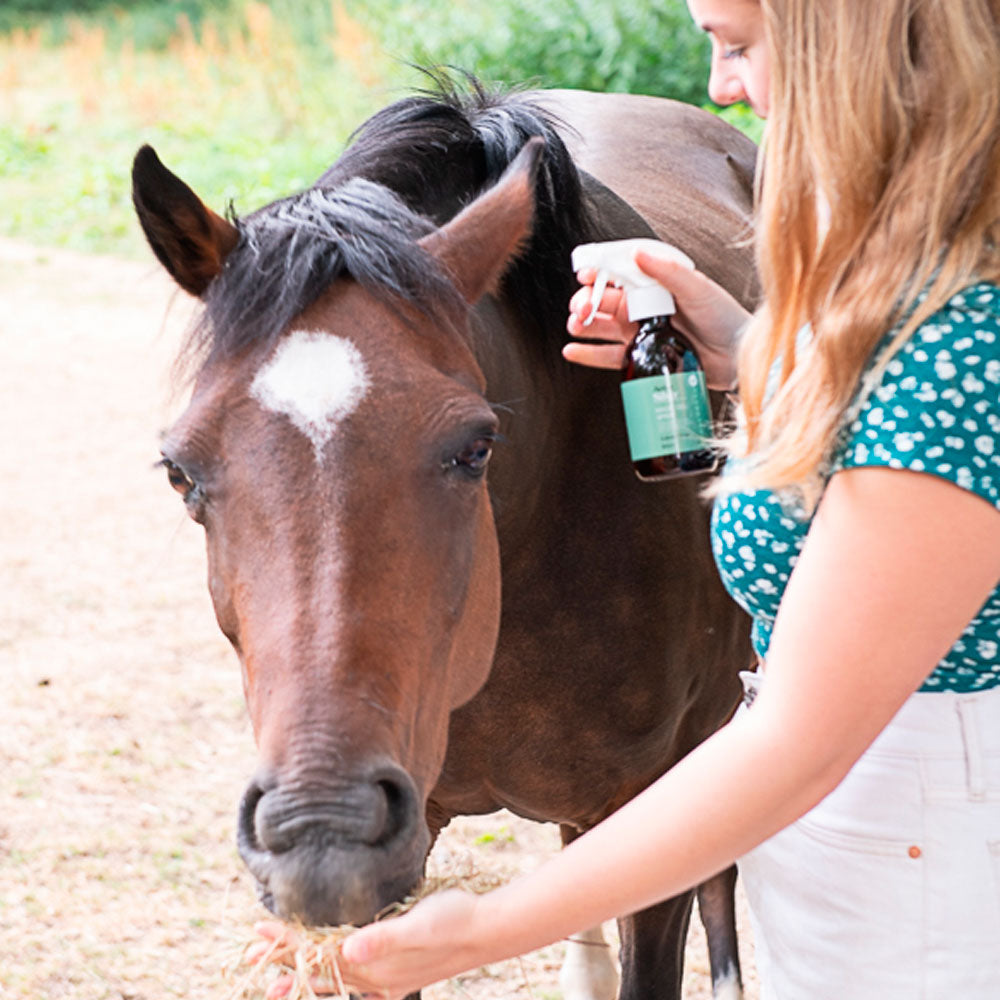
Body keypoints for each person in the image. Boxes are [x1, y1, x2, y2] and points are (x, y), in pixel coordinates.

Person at [253, 0, 1000, 996]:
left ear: (851, 49)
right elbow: (883, 412)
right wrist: (739, 348)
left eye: (738, 46)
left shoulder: (960, 355)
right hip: (864, 867)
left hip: (917, 893)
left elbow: (793, 748)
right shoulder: (919, 285)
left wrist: (470, 932)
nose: (720, 88)